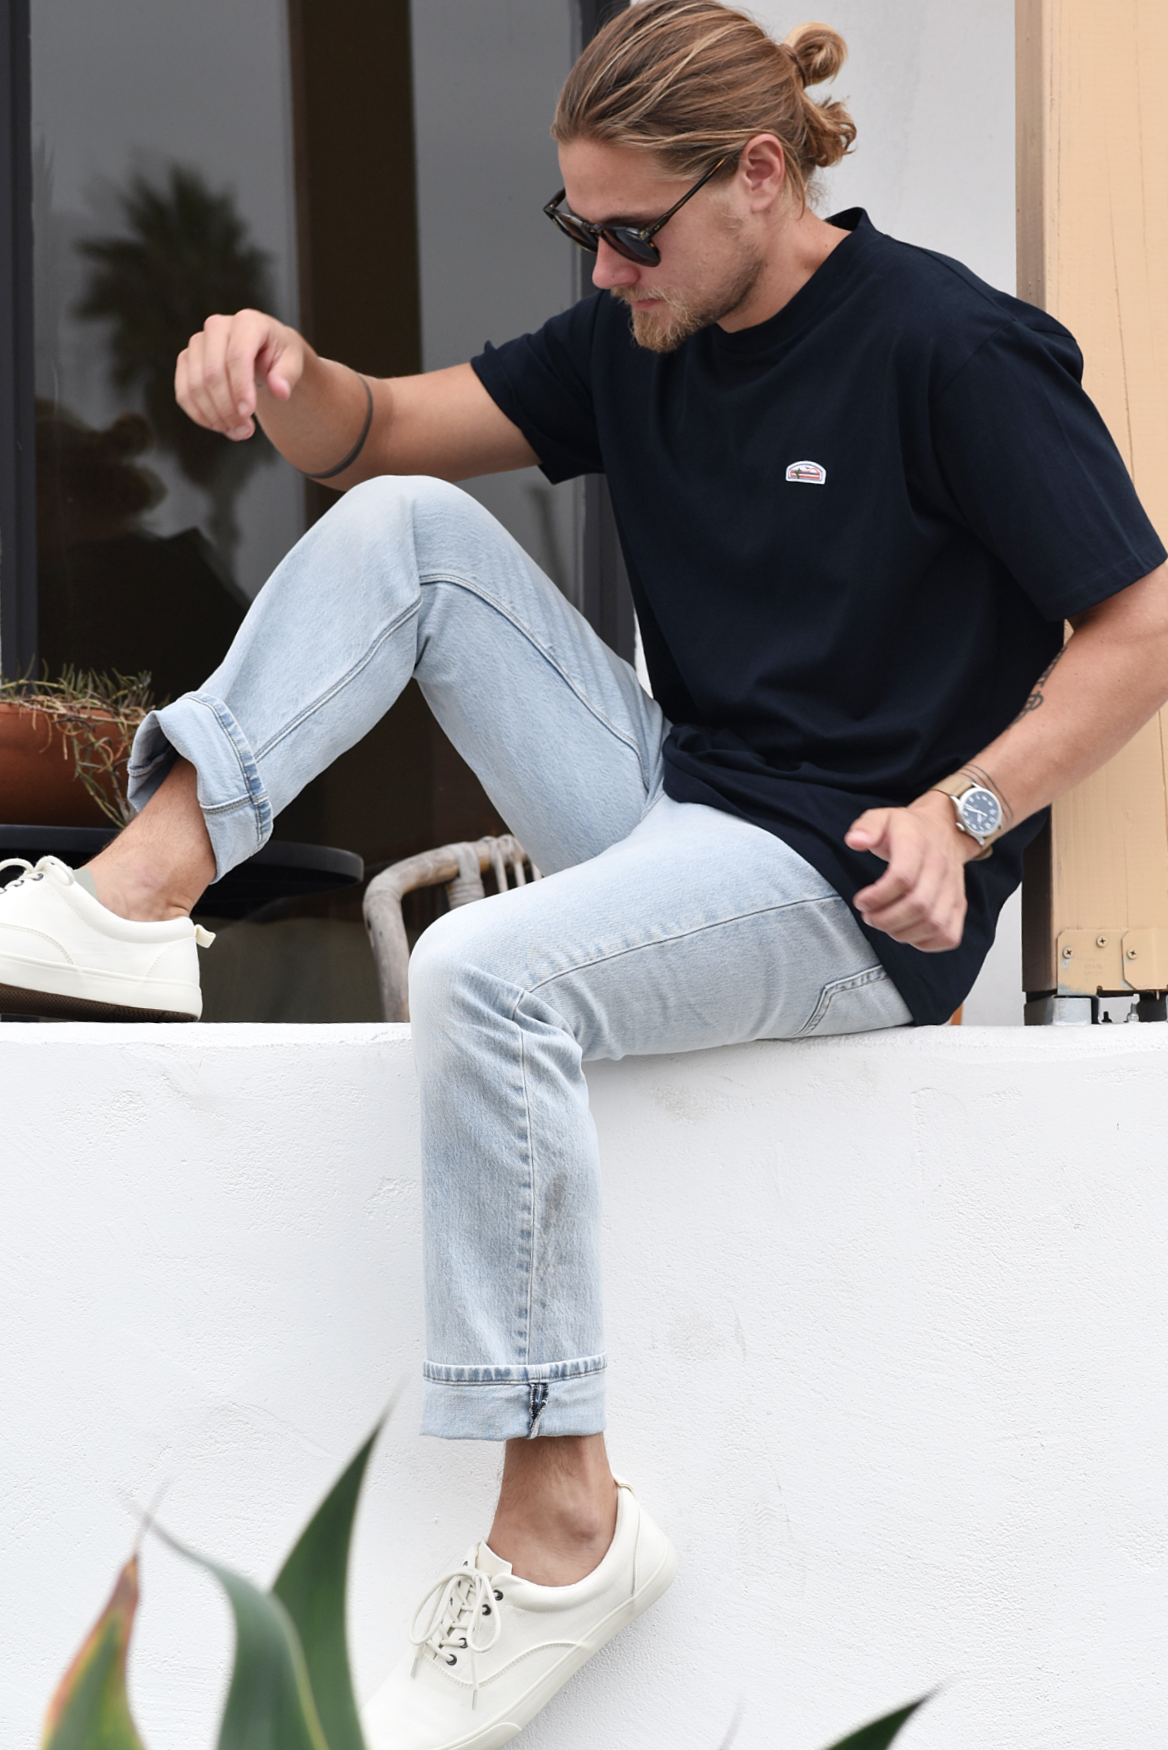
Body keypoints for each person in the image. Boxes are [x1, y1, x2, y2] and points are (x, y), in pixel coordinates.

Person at [3, 3, 1168, 1743]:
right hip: (681, 806)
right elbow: (380, 432)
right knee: (405, 531)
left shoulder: (951, 349)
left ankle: (563, 1527)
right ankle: (138, 894)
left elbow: (1138, 620)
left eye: (632, 231)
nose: (608, 270)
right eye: (581, 231)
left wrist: (971, 813)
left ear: (759, 176)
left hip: (844, 889)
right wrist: (279, 373)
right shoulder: (644, 326)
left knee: (487, 971)